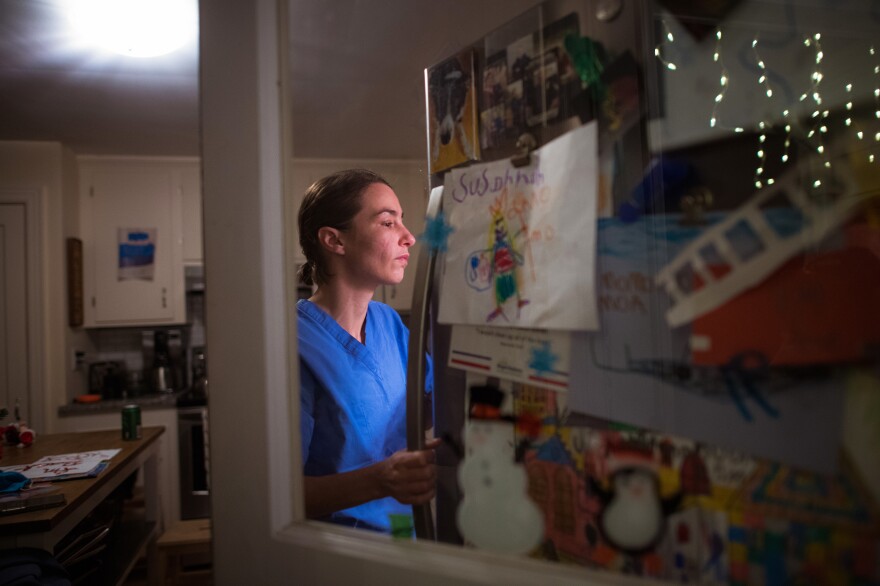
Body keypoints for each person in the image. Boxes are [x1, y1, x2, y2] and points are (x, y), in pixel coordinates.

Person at [296, 168, 439, 533]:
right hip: (339, 555)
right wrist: (381, 480)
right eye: (388, 223)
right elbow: (278, 493)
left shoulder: (388, 323)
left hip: (406, 535)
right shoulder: (295, 346)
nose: (409, 238)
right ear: (334, 241)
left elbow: (430, 401)